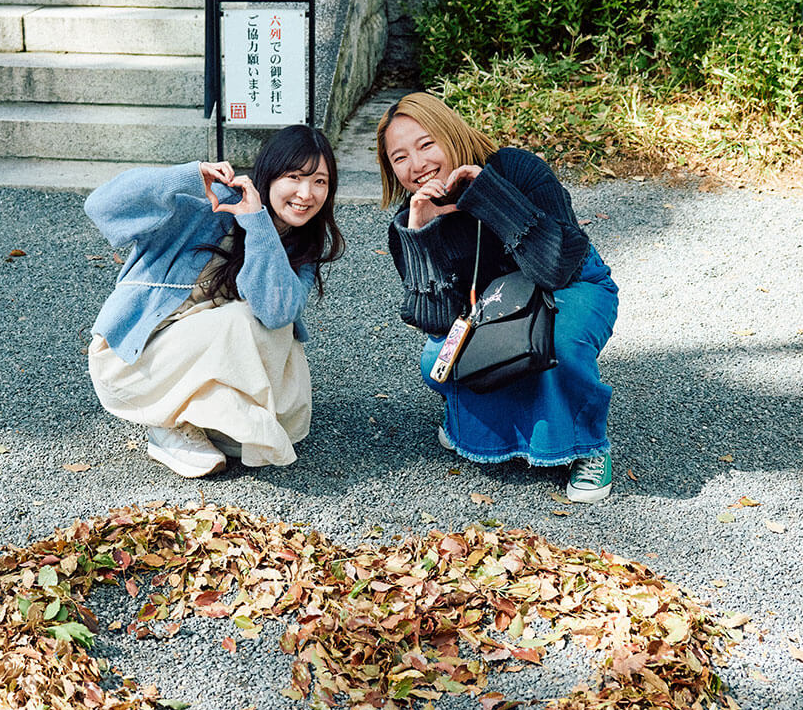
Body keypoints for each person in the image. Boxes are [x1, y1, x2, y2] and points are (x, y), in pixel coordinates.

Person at [376, 92, 620, 503]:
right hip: (493, 303)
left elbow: (556, 267)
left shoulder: (516, 168)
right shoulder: (411, 216)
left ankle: (587, 447)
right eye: (399, 158)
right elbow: (437, 322)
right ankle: (467, 421)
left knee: (556, 344)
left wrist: (489, 196)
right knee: (436, 361)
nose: (417, 166)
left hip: (570, 284)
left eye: (426, 144)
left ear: (450, 134)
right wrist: (422, 235)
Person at [84, 125, 343, 478]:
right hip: (133, 359)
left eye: (320, 182)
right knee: (240, 321)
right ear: (268, 175)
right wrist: (186, 177)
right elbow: (100, 206)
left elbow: (277, 313)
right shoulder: (211, 199)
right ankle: (166, 423)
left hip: (194, 351)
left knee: (272, 333)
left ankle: (193, 415)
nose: (306, 193)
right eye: (294, 177)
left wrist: (258, 224)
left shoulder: (301, 244)